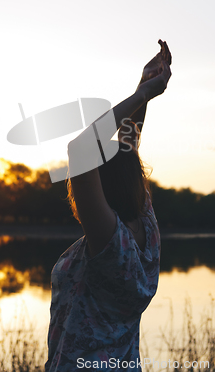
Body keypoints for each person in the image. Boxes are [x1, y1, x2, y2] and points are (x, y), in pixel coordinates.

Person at [45, 40, 172, 372]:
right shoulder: (147, 232)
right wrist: (142, 88)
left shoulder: (110, 243)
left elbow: (81, 149)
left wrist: (142, 96)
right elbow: (128, 148)